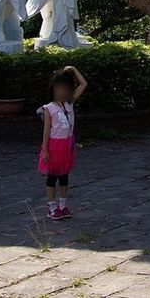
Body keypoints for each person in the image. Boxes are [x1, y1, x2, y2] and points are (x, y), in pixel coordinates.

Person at [38, 66, 87, 220]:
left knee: (64, 177)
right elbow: (46, 131)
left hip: (67, 145)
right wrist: (45, 149)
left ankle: (63, 205)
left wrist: (73, 70)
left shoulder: (69, 104)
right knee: (52, 177)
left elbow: (84, 84)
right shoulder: (49, 108)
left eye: (64, 89)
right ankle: (51, 206)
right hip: (54, 146)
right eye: (58, 89)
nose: (61, 92)